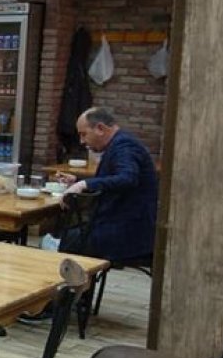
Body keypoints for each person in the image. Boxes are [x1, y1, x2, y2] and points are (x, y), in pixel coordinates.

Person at [55, 107, 158, 261]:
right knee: (68, 236)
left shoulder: (124, 146)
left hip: (128, 233)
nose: (82, 141)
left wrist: (85, 184)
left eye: (84, 134)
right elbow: (112, 180)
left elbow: (127, 178)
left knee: (66, 242)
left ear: (100, 128)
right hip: (123, 226)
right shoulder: (120, 143)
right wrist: (77, 181)